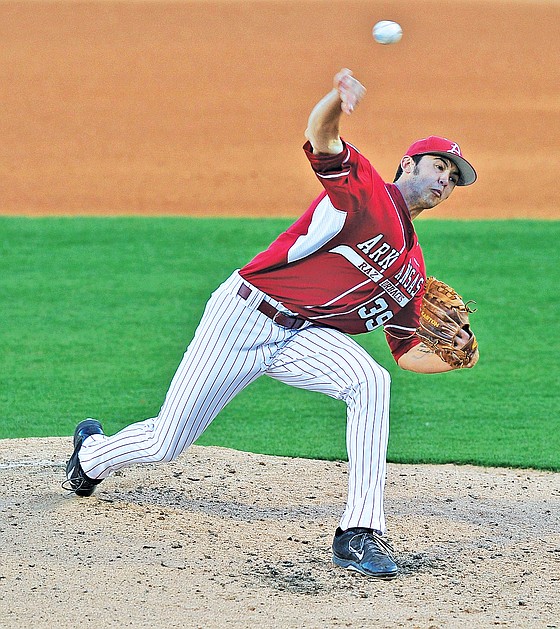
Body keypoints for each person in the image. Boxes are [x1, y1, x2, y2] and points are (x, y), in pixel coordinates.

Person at [64, 68, 478, 580]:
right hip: (242, 317)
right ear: (409, 163)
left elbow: (408, 352)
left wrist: (459, 353)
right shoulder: (369, 193)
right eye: (440, 166)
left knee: (372, 382)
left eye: (453, 178)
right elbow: (323, 139)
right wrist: (337, 100)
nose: (445, 181)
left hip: (300, 336)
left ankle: (359, 532)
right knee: (166, 443)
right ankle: (91, 456)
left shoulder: (412, 266)